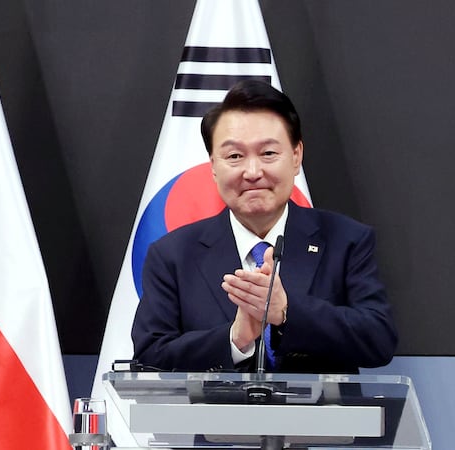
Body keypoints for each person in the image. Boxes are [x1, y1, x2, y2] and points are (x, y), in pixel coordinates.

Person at [131, 79, 398, 374]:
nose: (252, 172)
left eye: (268, 153)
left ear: (296, 156)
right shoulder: (172, 255)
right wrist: (235, 339)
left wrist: (286, 312)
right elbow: (150, 355)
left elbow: (378, 339)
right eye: (235, 156)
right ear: (213, 166)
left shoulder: (345, 240)